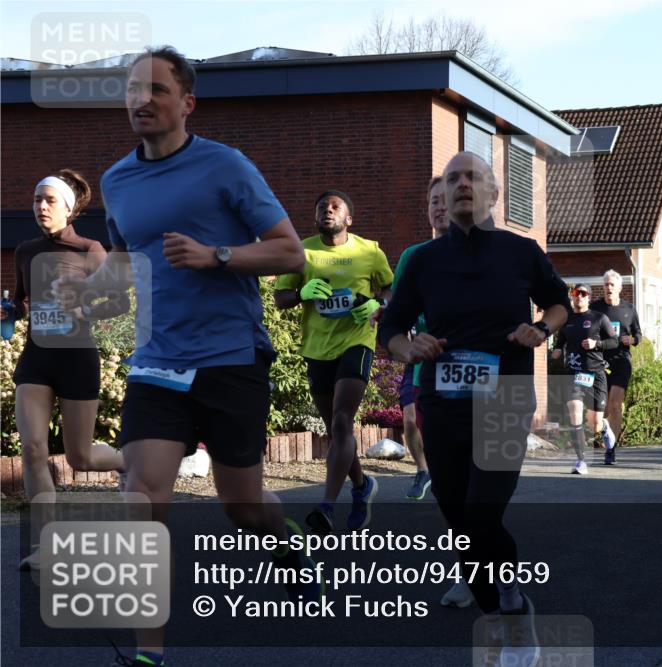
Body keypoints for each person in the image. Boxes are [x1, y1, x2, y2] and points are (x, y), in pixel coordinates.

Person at [58, 47, 312, 667]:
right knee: (142, 496)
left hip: (230, 355)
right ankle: (150, 655)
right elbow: (126, 257)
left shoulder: (226, 167)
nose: (142, 100)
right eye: (132, 90)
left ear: (186, 102)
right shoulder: (117, 180)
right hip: (157, 360)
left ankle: (291, 548)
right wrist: (88, 295)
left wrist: (217, 255)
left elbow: (290, 253)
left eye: (157, 90)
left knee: (241, 503)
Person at [378, 151, 570, 665]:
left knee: (483, 513)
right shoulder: (422, 260)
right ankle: (506, 606)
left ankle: (515, 620)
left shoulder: (520, 252)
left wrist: (542, 329)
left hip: (505, 396)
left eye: (473, 178)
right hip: (442, 402)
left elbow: (559, 303)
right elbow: (389, 328)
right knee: (459, 522)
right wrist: (407, 348)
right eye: (452, 177)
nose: (462, 185)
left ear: (493, 194)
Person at [9, 170, 128, 571]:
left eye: (49, 200)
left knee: (80, 457)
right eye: (36, 200)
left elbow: (120, 304)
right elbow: (23, 303)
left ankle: (129, 461)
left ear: (69, 207)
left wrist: (85, 309)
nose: (41, 206)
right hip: (36, 358)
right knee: (33, 450)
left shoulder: (90, 250)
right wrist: (11, 310)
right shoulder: (24, 250)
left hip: (77, 357)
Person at [273, 188, 392, 534]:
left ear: (348, 219)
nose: (328, 210)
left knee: (342, 419)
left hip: (356, 342)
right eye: (322, 206)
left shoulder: (369, 250)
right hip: (317, 348)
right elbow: (280, 298)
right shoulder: (302, 250)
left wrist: (378, 305)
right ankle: (361, 485)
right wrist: (300, 293)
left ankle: (326, 506)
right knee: (335, 428)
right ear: (315, 217)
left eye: (336, 206)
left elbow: (389, 288)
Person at [392, 176, 449, 501]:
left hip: (468, 362)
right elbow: (398, 308)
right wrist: (389, 317)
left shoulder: (486, 254)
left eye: (447, 200)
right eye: (433, 201)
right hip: (423, 358)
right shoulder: (412, 256)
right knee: (411, 418)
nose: (440, 207)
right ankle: (422, 468)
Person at [551, 283, 617, 473]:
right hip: (575, 374)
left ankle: (604, 428)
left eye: (583, 293)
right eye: (575, 293)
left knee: (595, 424)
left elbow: (614, 341)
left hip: (596, 374)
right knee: (575, 412)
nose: (578, 296)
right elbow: (560, 343)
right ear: (572, 296)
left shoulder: (599, 318)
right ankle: (581, 461)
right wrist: (555, 352)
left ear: (589, 297)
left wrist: (596, 343)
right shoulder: (567, 320)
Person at [591, 269, 642, 462]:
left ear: (620, 287)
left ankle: (611, 449)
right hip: (598, 360)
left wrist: (633, 340)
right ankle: (606, 434)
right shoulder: (595, 309)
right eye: (606, 284)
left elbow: (639, 334)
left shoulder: (629, 309)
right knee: (601, 408)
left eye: (612, 284)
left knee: (615, 403)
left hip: (621, 360)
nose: (609, 288)